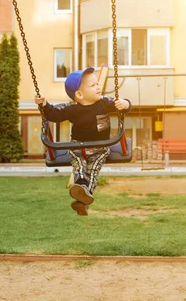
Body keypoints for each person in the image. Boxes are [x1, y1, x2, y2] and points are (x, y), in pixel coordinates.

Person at [35, 67, 131, 216]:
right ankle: (81, 190)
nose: (98, 86)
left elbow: (123, 105)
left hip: (100, 148)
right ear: (79, 94)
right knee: (79, 166)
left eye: (97, 83)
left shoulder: (105, 103)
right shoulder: (72, 109)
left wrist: (125, 104)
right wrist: (43, 104)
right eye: (93, 85)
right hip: (78, 146)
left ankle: (82, 196)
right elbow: (53, 115)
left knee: (92, 170)